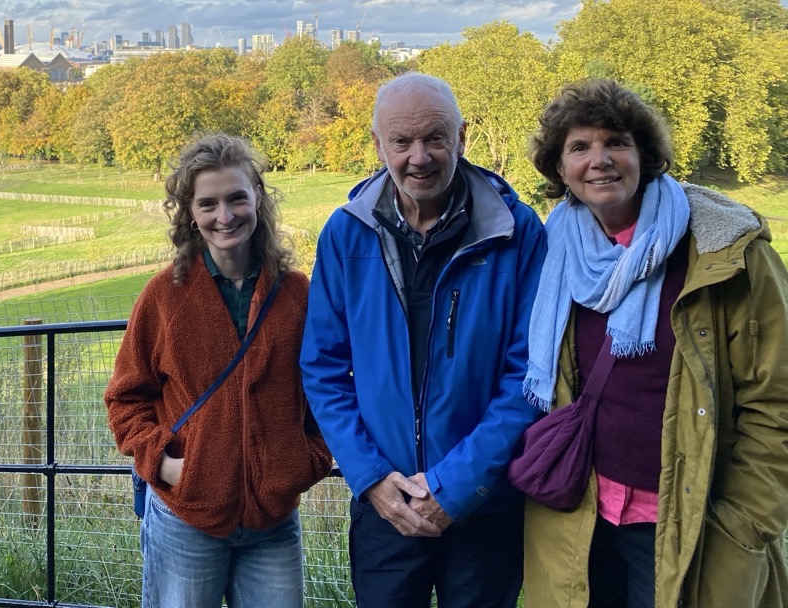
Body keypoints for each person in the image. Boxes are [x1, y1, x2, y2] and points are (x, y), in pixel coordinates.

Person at [521, 78, 788, 607]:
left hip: (688, 526)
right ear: (559, 170)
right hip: (579, 518)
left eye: (616, 142)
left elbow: (775, 402)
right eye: (580, 147)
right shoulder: (551, 251)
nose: (600, 160)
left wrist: (746, 520)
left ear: (644, 153)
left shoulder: (725, 254)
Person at [300, 72, 546, 608]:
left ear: (461, 137)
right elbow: (322, 369)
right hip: (383, 503)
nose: (419, 157)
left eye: (434, 138)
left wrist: (457, 486)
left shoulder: (518, 232)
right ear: (377, 145)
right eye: (401, 141)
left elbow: (529, 373)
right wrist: (370, 477)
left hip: (485, 502)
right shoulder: (345, 233)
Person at [105, 133, 333, 608]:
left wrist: (304, 461)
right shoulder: (164, 297)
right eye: (208, 203)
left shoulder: (297, 295)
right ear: (190, 212)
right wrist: (162, 463)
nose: (224, 216)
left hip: (273, 523)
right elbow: (125, 399)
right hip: (187, 517)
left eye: (236, 199)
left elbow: (328, 386)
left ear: (258, 200)